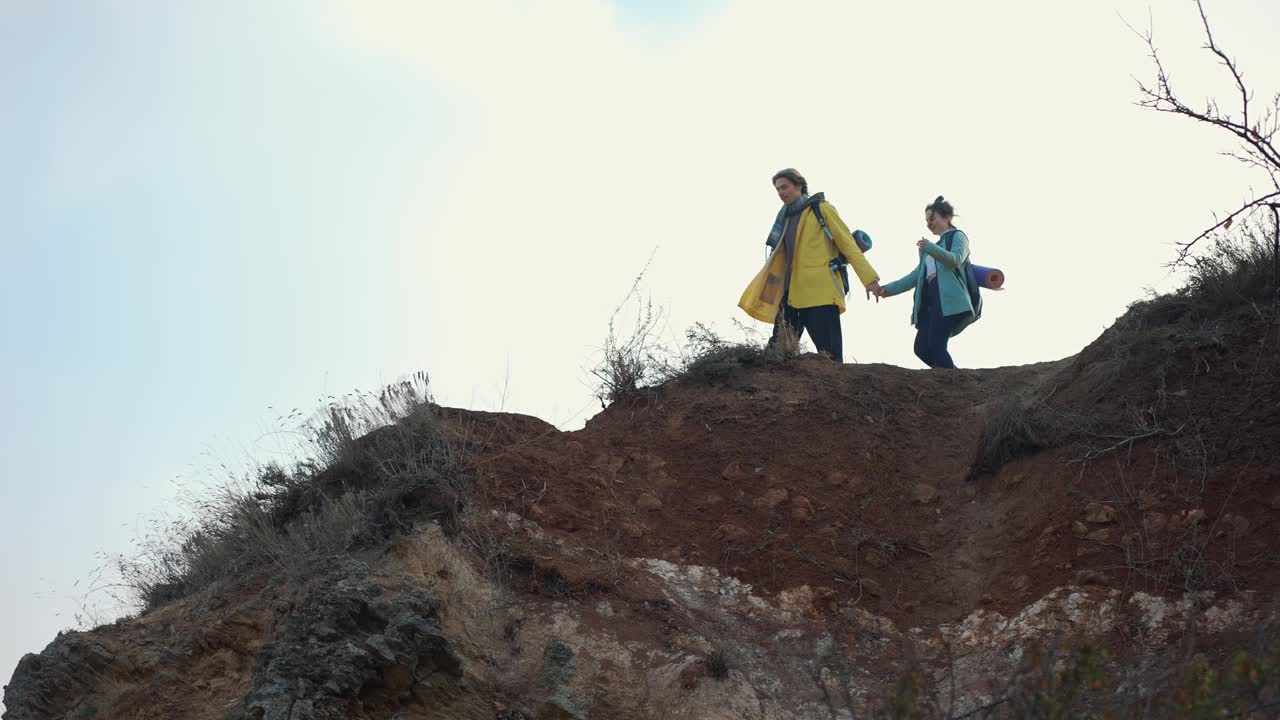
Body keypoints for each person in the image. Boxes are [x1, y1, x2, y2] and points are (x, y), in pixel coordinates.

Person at [757, 168, 883, 363]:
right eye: (777, 189)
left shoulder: (821, 209)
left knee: (831, 358)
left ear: (798, 186)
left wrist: (870, 280)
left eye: (785, 187)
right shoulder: (784, 219)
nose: (781, 193)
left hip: (820, 294)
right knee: (776, 355)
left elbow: (848, 245)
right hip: (791, 294)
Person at [878, 196, 978, 369]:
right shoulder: (929, 249)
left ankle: (956, 382)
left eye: (932, 218)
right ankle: (947, 377)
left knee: (937, 346)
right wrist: (885, 290)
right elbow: (915, 277)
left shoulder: (957, 236)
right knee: (921, 348)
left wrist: (930, 247)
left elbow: (955, 260)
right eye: (926, 221)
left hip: (949, 299)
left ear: (946, 217)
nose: (928, 224)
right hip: (930, 301)